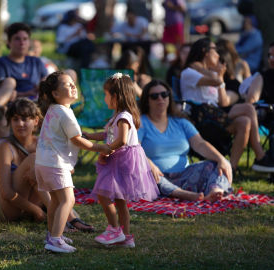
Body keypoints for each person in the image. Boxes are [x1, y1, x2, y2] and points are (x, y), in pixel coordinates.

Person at [0, 98, 96, 234]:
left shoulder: (43, 142)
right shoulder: (4, 146)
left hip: (24, 204)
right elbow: (6, 193)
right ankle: (68, 219)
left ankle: (67, 218)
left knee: (43, 168)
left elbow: (69, 170)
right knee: (36, 160)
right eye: (15, 119)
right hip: (0, 206)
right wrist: (35, 210)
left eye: (25, 119)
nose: (20, 124)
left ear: (36, 121)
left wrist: (41, 171)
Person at [36, 71, 113, 253]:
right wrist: (100, 147)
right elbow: (77, 140)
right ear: (55, 94)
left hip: (43, 163)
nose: (72, 86)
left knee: (55, 201)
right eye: (67, 84)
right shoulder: (65, 113)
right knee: (68, 200)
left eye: (73, 83)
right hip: (55, 164)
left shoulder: (53, 110)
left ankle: (54, 234)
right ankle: (55, 240)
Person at [83, 73, 159, 248]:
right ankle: (126, 238)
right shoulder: (117, 116)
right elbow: (105, 134)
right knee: (120, 200)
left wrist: (105, 150)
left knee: (103, 194)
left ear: (115, 97)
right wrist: (88, 135)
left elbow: (122, 140)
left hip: (121, 159)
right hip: (119, 158)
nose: (104, 98)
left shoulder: (124, 116)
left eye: (106, 94)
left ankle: (115, 230)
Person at [180, 38, 274, 173]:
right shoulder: (188, 73)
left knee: (245, 121)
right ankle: (260, 156)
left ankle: (231, 169)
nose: (218, 55)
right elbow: (216, 81)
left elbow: (224, 102)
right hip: (200, 116)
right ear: (205, 52)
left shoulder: (213, 74)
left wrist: (219, 76)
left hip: (214, 115)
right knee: (248, 108)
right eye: (215, 51)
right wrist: (204, 70)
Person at [138, 79, 233, 202]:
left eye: (164, 94)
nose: (160, 98)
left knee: (220, 163)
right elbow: (133, 148)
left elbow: (200, 144)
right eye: (154, 96)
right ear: (147, 101)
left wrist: (221, 159)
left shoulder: (181, 122)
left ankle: (215, 192)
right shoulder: (140, 123)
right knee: (145, 172)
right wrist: (148, 163)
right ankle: (184, 195)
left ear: (169, 97)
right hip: (155, 177)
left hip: (184, 176)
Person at [0, 23, 47, 99]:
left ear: (29, 42)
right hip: (13, 106)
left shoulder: (36, 61)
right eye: (17, 39)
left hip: (38, 102)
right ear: (9, 43)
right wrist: (25, 94)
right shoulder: (0, 63)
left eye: (25, 39)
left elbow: (46, 80)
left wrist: (42, 85)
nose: (22, 43)